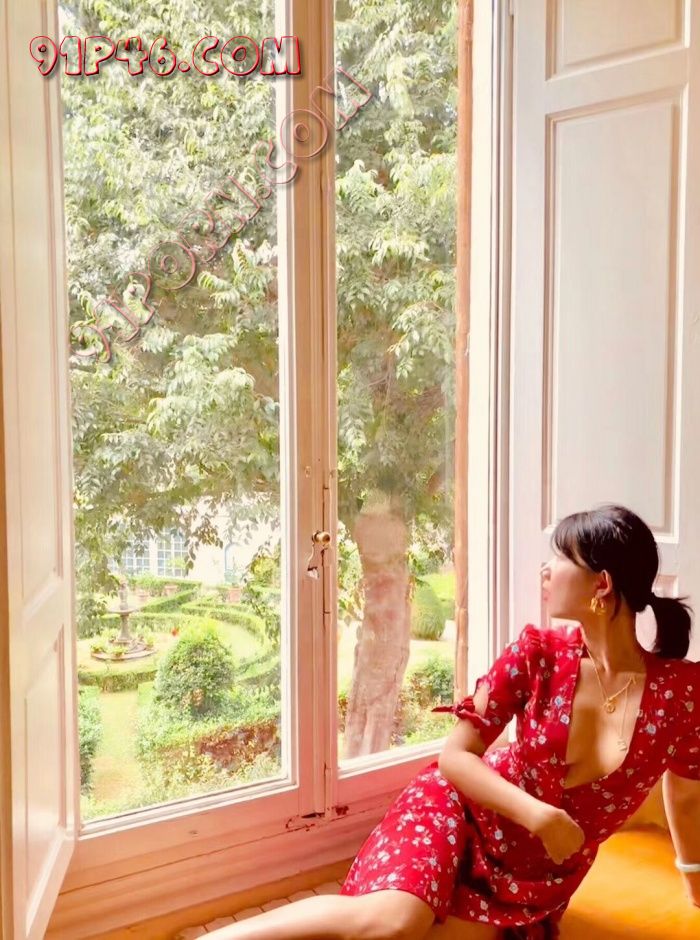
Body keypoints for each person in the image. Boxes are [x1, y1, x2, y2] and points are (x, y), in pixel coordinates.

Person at [204, 504, 700, 940]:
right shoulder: (538, 655)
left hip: (534, 879)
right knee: (393, 924)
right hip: (460, 813)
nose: (546, 570)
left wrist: (694, 882)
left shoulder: (681, 693)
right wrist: (539, 816)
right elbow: (454, 757)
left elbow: (686, 792)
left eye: (561, 557)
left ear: (601, 584)